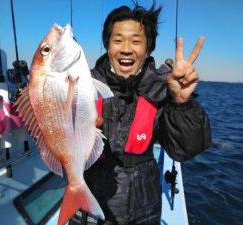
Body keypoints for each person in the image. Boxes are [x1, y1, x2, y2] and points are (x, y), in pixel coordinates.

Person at [73, 3, 211, 225]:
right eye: (118, 40)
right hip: (91, 201)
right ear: (107, 45)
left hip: (144, 206)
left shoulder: (162, 88)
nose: (126, 48)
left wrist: (181, 102)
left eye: (136, 41)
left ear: (147, 48)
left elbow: (186, 149)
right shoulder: (82, 86)